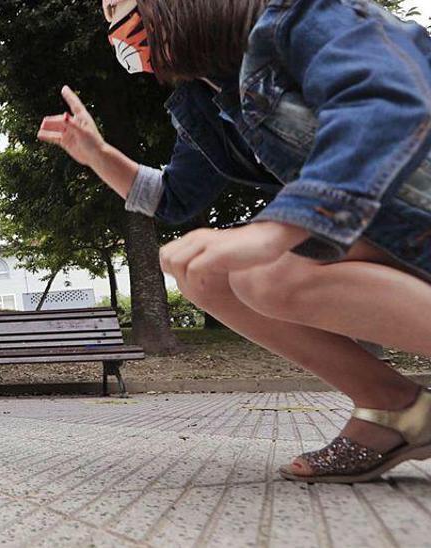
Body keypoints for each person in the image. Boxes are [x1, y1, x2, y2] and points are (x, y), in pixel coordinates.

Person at [39, 0, 431, 483]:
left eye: (116, 7)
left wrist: (277, 230)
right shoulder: (206, 96)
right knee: (209, 272)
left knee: (265, 272)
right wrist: (98, 156)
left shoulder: (304, 13)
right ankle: (394, 410)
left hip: (413, 217)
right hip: (398, 231)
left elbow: (386, 103)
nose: (115, 30)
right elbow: (174, 196)